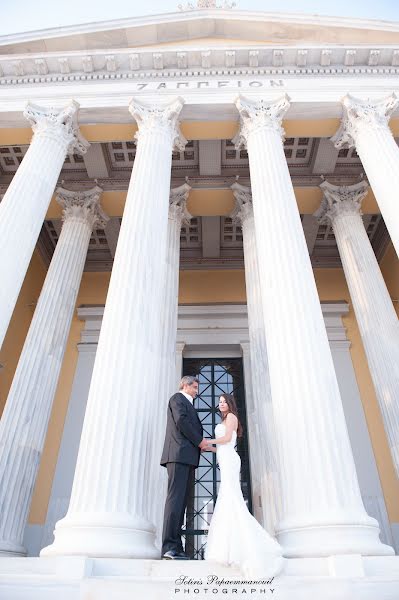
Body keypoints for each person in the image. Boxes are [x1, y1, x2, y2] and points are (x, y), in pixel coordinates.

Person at [204, 393, 284, 578]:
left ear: (230, 404)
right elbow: (222, 447)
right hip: (224, 458)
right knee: (227, 496)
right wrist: (210, 448)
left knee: (231, 496)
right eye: (220, 402)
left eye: (224, 402)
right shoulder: (225, 419)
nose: (221, 404)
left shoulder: (232, 417)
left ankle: (247, 545)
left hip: (230, 460)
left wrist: (209, 441)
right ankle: (229, 547)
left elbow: (226, 441)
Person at [160, 375, 209, 560]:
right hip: (178, 456)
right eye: (194, 387)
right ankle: (168, 547)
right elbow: (181, 422)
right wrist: (200, 441)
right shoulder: (177, 399)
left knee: (181, 504)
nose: (197, 391)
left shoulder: (187, 402)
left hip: (186, 457)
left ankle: (176, 547)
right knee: (175, 501)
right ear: (184, 385)